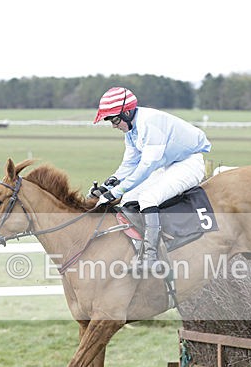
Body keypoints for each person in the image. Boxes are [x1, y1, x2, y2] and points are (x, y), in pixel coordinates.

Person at [89, 87, 212, 274]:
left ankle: (151, 257)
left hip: (188, 163)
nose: (113, 125)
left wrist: (115, 192)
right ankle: (138, 247)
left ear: (127, 113)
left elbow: (146, 167)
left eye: (114, 119)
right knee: (129, 197)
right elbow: (130, 163)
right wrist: (109, 184)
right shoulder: (131, 130)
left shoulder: (149, 124)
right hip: (168, 164)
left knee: (148, 198)